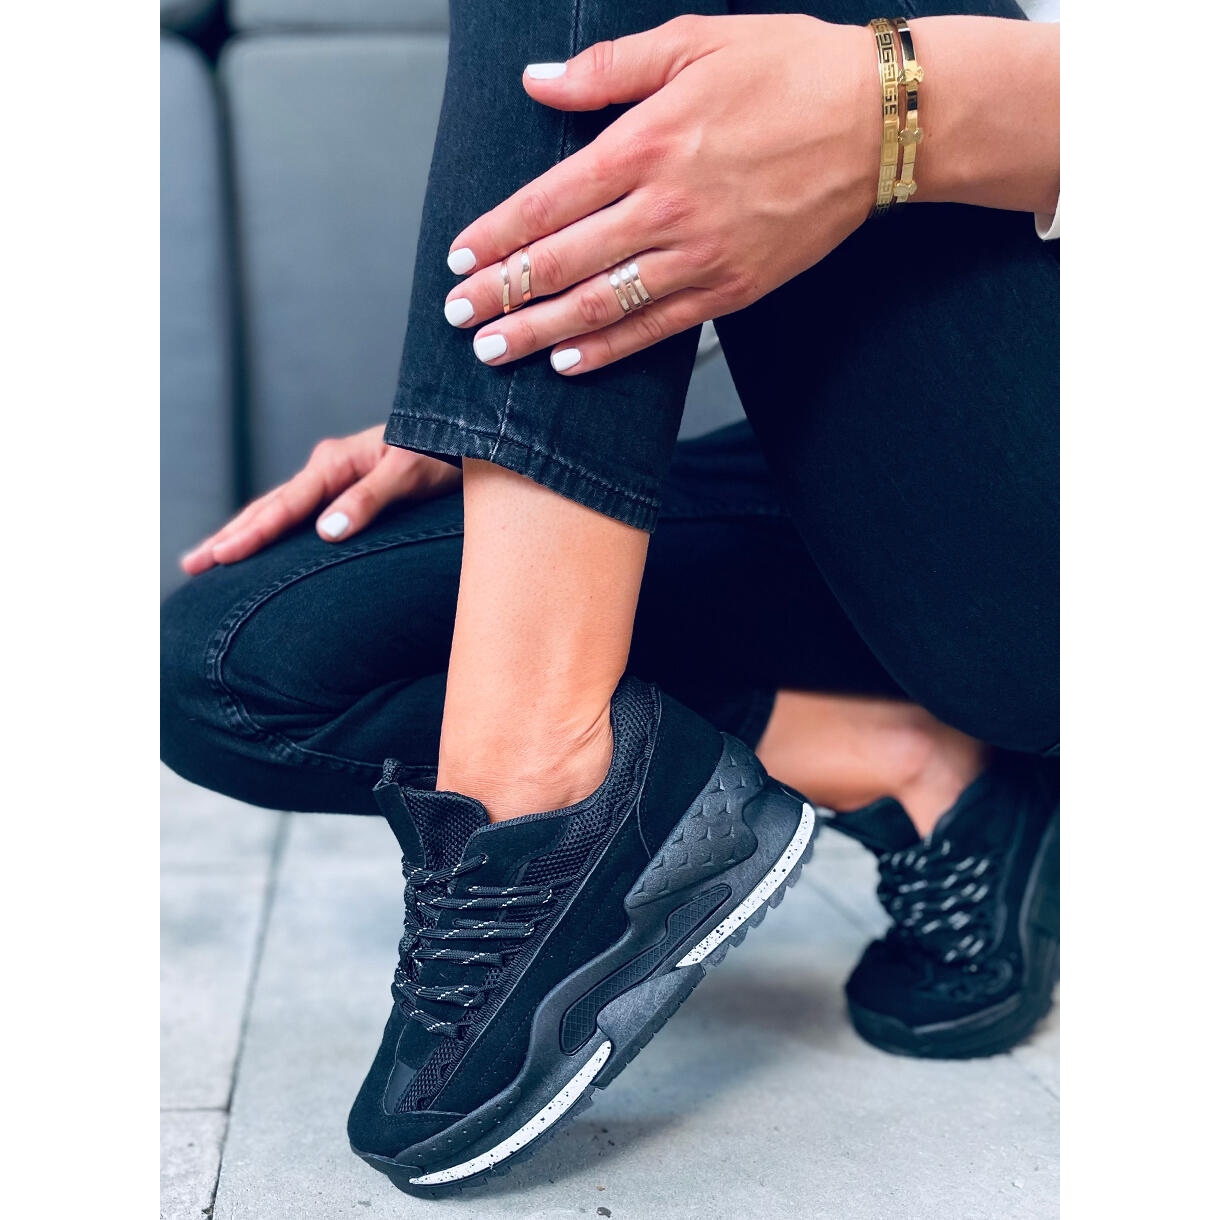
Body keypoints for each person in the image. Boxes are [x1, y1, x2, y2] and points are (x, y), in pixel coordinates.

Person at [161, 0, 1058, 1197]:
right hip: (898, 419)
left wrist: (891, 104)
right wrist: (493, 418)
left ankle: (536, 786)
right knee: (230, 661)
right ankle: (908, 763)